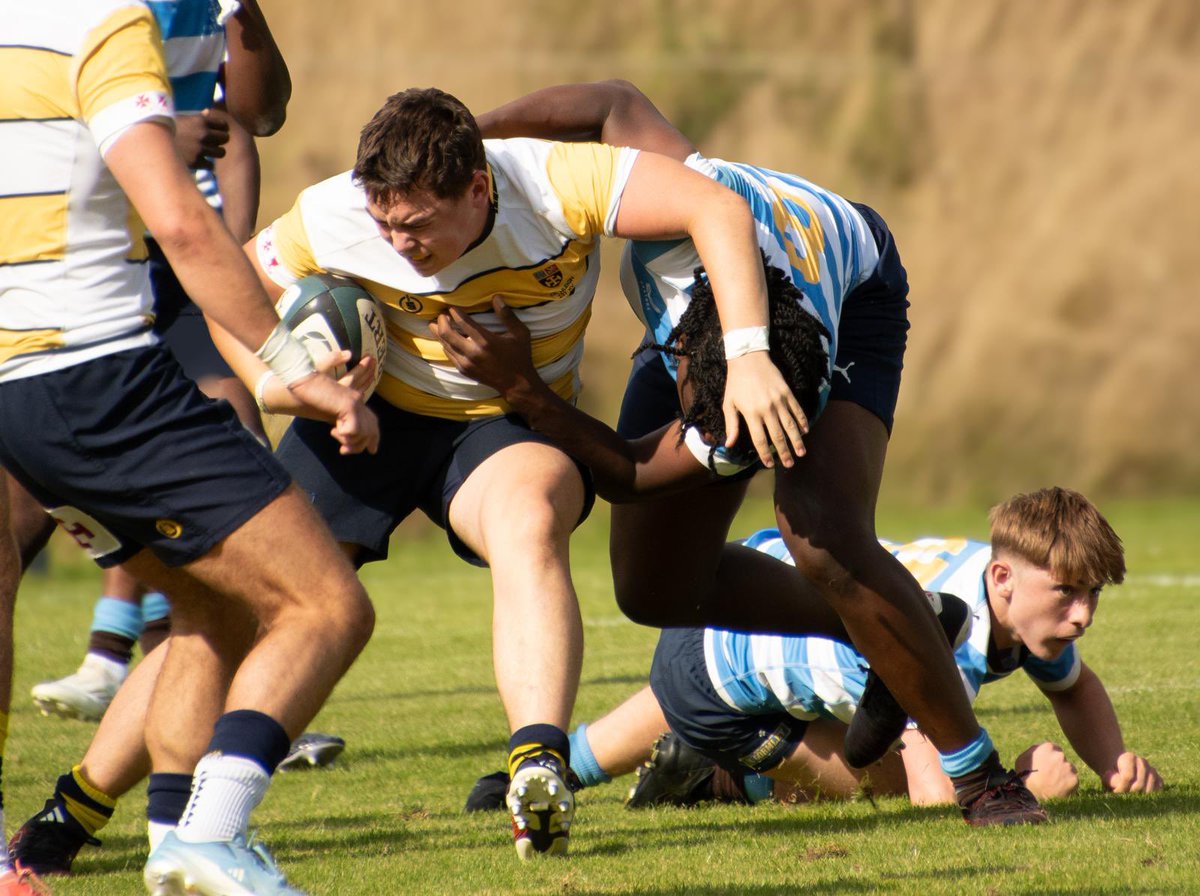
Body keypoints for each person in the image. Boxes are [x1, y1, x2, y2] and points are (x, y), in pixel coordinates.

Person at [206, 83, 834, 860]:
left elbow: (717, 209)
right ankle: (120, 809)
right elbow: (227, 286)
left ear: (476, 188)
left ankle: (538, 764)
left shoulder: (551, 182)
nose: (398, 243)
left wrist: (746, 354)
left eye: (418, 225)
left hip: (501, 424)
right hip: (362, 421)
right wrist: (284, 386)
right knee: (249, 597)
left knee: (531, 520)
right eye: (384, 224)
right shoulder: (335, 213)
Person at [437, 78, 1046, 825]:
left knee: (823, 536)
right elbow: (611, 104)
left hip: (851, 295)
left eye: (710, 418)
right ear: (687, 338)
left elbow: (631, 471)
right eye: (698, 403)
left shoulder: (775, 387)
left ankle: (982, 777)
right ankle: (900, 621)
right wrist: (475, 134)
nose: (699, 418)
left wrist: (527, 393)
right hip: (734, 325)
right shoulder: (676, 205)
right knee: (652, 589)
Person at [0, 3, 379, 894]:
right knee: (326, 605)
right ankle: (206, 838)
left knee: (214, 605)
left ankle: (173, 833)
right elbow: (181, 221)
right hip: (97, 376)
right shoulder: (106, 20)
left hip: (17, 386)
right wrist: (293, 367)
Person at [466, 489, 1161, 821]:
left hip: (734, 611)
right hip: (727, 661)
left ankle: (542, 772)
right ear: (1004, 578)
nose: (1083, 615)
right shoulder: (942, 643)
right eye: (1068, 593)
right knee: (883, 775)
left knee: (712, 687)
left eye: (1093, 594)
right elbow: (933, 795)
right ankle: (718, 779)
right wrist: (1018, 784)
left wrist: (1112, 762)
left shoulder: (999, 584)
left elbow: (1073, 687)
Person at [30, 0, 292, 725]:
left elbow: (252, 118)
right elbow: (41, 120)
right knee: (26, 507)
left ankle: (251, 687)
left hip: (175, 262)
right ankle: (114, 657)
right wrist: (157, 135)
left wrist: (231, 265)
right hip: (77, 263)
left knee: (227, 424)